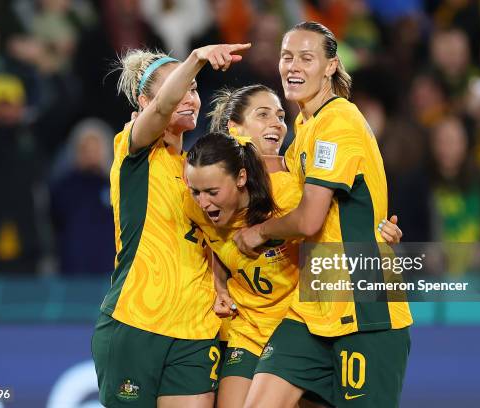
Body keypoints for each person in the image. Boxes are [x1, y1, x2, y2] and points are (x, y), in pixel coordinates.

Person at [185, 84, 402, 408]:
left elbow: (337, 226)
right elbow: (209, 242)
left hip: (305, 323)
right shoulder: (204, 186)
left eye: (281, 115)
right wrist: (218, 283)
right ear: (235, 128)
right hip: (249, 328)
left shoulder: (297, 189)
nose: (277, 123)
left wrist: (379, 236)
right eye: (263, 114)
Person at [234, 22, 413, 408]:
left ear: (331, 66)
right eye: (286, 56)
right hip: (312, 306)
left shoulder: (338, 123)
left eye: (306, 57)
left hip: (365, 309)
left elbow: (309, 219)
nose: (292, 66)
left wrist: (259, 233)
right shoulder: (303, 128)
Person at [91, 42, 250, 408]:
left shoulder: (200, 173)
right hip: (136, 321)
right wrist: (195, 60)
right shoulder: (133, 151)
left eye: (194, 88)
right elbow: (165, 108)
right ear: (144, 104)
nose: (190, 97)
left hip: (196, 328)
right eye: (179, 87)